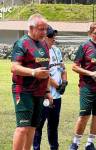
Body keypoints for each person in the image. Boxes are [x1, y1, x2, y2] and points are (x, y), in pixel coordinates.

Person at [69, 22, 96, 150]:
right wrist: (90, 73)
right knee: (84, 115)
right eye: (95, 33)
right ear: (90, 34)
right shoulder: (84, 47)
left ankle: (90, 143)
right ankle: (75, 143)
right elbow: (74, 67)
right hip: (87, 87)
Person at [11, 14, 53, 150]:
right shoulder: (22, 43)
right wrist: (33, 72)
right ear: (31, 27)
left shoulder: (44, 45)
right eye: (41, 29)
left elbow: (46, 70)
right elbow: (14, 67)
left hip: (39, 92)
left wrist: (47, 91)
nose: (44, 32)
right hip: (23, 90)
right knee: (23, 128)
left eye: (45, 29)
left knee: (32, 128)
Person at [33, 25, 68, 150]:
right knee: (38, 125)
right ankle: (36, 148)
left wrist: (64, 82)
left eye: (54, 35)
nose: (53, 38)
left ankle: (54, 147)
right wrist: (57, 85)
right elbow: (45, 74)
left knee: (53, 125)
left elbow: (63, 68)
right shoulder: (40, 52)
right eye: (50, 36)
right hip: (44, 96)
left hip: (57, 95)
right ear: (43, 37)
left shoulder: (56, 50)